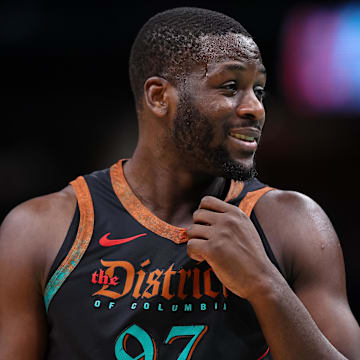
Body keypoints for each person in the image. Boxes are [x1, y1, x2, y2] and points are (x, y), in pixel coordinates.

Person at [0, 7, 359, 360]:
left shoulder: (294, 224)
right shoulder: (41, 229)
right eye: (231, 86)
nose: (256, 108)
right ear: (159, 96)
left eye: (259, 90)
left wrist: (267, 285)